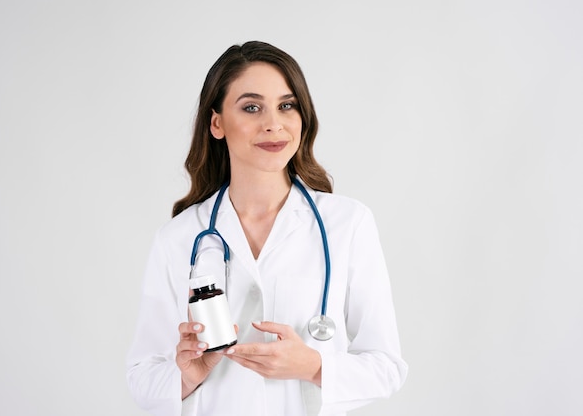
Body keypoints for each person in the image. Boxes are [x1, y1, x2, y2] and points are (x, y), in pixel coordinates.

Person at [126, 40, 408, 416]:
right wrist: (187, 376)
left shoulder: (348, 224)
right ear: (217, 123)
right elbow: (142, 376)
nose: (273, 123)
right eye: (252, 107)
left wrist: (313, 367)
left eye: (286, 106)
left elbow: (387, 366)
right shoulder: (179, 238)